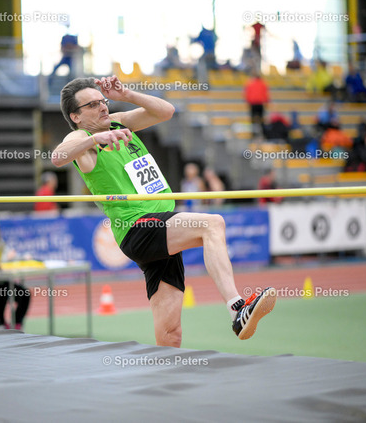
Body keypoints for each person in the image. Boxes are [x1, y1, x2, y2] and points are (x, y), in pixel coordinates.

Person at [51, 76, 276, 347]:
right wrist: (96, 138)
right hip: (139, 227)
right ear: (75, 116)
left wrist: (127, 94)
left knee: (170, 334)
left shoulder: (119, 122)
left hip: (162, 228)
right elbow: (58, 156)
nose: (102, 107)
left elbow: (166, 112)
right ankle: (237, 309)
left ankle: (164, 370)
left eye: (103, 101)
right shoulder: (82, 138)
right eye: (92, 105)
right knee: (212, 224)